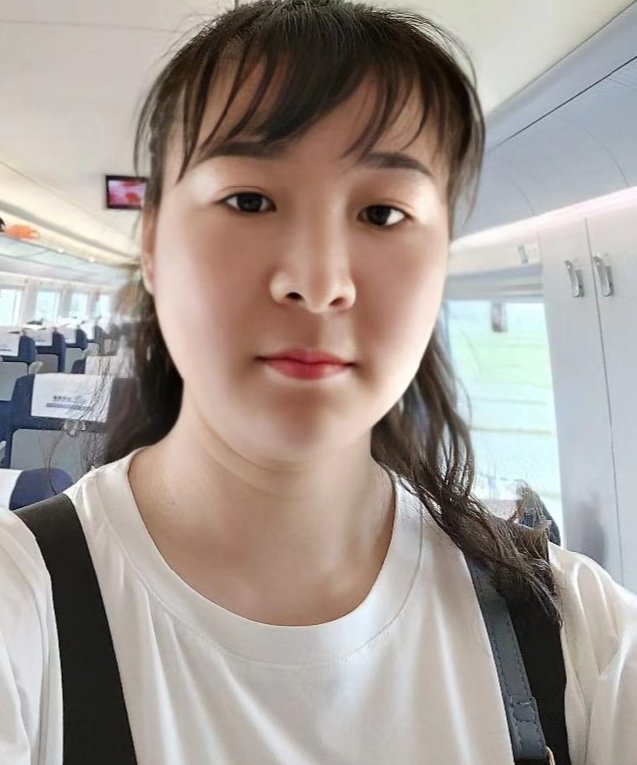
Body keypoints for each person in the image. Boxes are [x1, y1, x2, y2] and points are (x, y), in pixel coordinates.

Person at [0, 1, 635, 763]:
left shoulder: (580, 634)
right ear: (154, 244)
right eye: (248, 200)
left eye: (382, 213)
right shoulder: (21, 607)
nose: (317, 281)